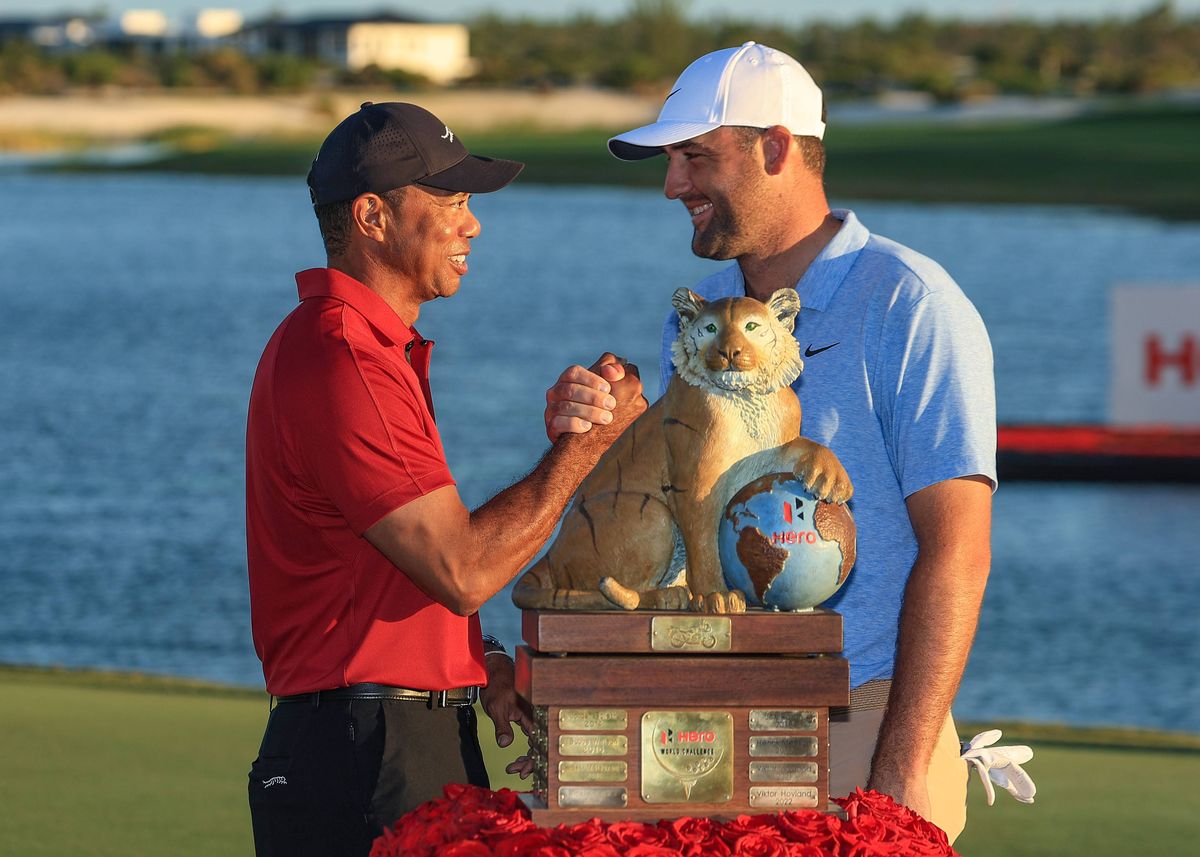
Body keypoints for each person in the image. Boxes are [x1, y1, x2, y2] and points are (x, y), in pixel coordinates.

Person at [546, 43, 995, 842]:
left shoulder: (911, 302)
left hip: (862, 721)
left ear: (777, 147)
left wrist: (897, 776)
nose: (672, 184)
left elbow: (958, 549)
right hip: (707, 723)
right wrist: (613, 435)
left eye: (694, 157)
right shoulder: (702, 309)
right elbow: (689, 507)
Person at [245, 101, 643, 857]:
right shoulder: (344, 359)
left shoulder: (363, 351)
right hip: (369, 753)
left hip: (393, 736)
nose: (473, 225)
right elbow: (461, 568)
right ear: (372, 216)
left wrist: (475, 662)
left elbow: (387, 573)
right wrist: (584, 448)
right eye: (452, 202)